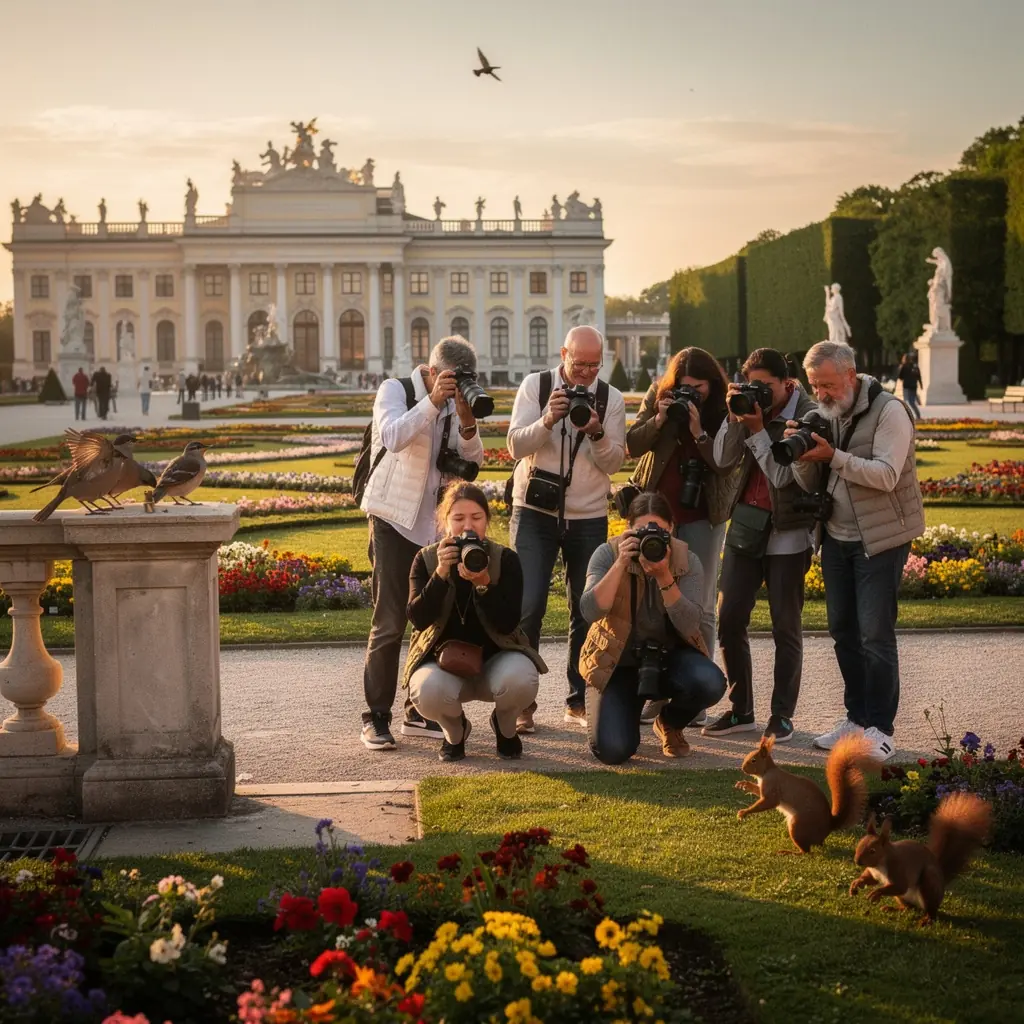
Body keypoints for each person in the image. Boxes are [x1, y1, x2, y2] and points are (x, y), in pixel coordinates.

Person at [788, 341, 924, 762]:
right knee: (843, 632)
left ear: (851, 375)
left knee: (875, 636)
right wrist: (802, 453)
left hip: (879, 541)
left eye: (827, 384)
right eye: (815, 386)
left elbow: (885, 475)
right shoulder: (827, 413)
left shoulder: (890, 412)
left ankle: (881, 729)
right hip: (836, 538)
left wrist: (835, 456)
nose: (822, 394)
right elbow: (810, 479)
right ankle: (856, 717)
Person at [360, 336, 486, 750]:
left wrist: (466, 419)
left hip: (433, 526)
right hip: (393, 519)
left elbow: (472, 464)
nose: (454, 387)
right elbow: (394, 436)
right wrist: (433, 401)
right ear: (432, 371)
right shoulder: (396, 389)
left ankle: (419, 712)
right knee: (391, 620)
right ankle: (376, 716)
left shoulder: (455, 402)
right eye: (451, 379)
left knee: (433, 616)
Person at [507, 325, 627, 732]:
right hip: (534, 512)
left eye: (595, 365)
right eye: (580, 364)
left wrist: (594, 432)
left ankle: (578, 699)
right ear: (563, 355)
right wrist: (546, 419)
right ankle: (523, 701)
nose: (587, 374)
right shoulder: (536, 386)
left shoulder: (610, 398)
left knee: (586, 609)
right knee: (528, 606)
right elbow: (515, 446)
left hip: (588, 514)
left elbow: (613, 463)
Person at [706, 348, 819, 742]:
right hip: (746, 526)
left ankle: (782, 715)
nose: (760, 392)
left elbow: (784, 478)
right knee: (730, 617)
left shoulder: (807, 414)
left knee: (785, 626)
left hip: (788, 530)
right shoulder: (748, 407)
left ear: (787, 382)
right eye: (753, 383)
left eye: (766, 386)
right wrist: (735, 416)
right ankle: (742, 710)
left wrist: (757, 431)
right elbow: (721, 458)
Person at [579, 492, 726, 765]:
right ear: (628, 529)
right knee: (613, 750)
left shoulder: (687, 560)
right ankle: (623, 712)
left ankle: (669, 722)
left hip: (670, 661)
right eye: (641, 530)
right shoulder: (608, 554)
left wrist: (664, 576)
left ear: (671, 527)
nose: (650, 538)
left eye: (658, 529)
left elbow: (690, 623)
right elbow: (589, 611)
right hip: (617, 663)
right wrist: (621, 563)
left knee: (709, 682)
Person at [404, 483, 546, 762]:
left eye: (476, 518)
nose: (467, 526)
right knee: (426, 689)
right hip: (443, 664)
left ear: (487, 521)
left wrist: (483, 585)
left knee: (522, 678)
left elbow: (508, 624)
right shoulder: (427, 559)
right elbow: (418, 618)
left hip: (496, 662)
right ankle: (455, 733)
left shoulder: (505, 560)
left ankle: (505, 729)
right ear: (445, 523)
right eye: (458, 519)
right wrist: (441, 574)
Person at [626, 346, 733, 661]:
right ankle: (661, 686)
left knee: (700, 602)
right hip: (659, 515)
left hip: (703, 514)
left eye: (698, 387)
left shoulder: (724, 408)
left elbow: (725, 464)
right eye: (684, 386)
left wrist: (699, 431)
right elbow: (633, 444)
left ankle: (698, 690)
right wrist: (660, 419)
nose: (690, 393)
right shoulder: (659, 395)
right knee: (655, 600)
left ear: (712, 384)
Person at [897, 354, 922, 420]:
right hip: (913, 386)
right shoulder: (915, 366)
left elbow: (900, 377)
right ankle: (918, 415)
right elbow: (919, 376)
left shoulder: (904, 366)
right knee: (912, 402)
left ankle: (907, 417)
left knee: (906, 402)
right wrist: (921, 384)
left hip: (907, 386)